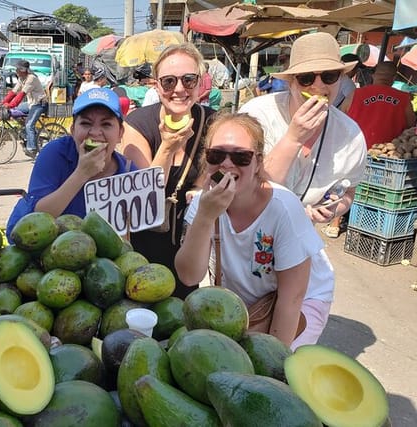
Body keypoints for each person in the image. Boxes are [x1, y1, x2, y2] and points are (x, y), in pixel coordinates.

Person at [175, 113, 334, 349]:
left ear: (258, 161)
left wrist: (274, 361)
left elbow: (292, 299)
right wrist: (205, 217)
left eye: (241, 156)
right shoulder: (204, 203)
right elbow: (189, 275)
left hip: (301, 302)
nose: (227, 164)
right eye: (216, 155)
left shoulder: (284, 209)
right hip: (248, 300)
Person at [239, 32, 367, 228]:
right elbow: (250, 191)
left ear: (341, 78)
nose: (318, 85)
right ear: (290, 82)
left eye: (329, 76)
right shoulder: (256, 115)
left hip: (297, 239)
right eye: (306, 78)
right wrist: (293, 139)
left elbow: (349, 191)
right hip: (245, 229)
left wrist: (334, 209)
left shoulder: (350, 135)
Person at [122, 43, 217, 299]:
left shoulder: (213, 122)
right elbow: (143, 195)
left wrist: (200, 186)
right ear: (156, 86)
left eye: (188, 80)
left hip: (190, 238)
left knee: (184, 311)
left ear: (200, 83)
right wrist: (167, 146)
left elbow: (217, 172)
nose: (179, 89)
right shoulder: (137, 124)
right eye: (168, 81)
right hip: (145, 238)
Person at [5, 87, 135, 236]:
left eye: (106, 124)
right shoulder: (55, 154)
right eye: (86, 123)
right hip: (50, 251)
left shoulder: (129, 172)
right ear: (73, 130)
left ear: (120, 134)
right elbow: (36, 220)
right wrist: (81, 174)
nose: (95, 133)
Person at [322, 61, 417, 239]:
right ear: (394, 78)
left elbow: (340, 117)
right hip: (388, 158)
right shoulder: (404, 98)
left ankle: (334, 224)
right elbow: (411, 125)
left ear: (374, 74)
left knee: (344, 183)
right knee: (378, 194)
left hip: (355, 149)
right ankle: (374, 228)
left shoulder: (355, 94)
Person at [0, 60, 48, 156]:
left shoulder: (31, 78)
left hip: (40, 104)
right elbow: (14, 92)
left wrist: (10, 105)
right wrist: (3, 102)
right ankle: (28, 134)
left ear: (23, 70)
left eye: (18, 69)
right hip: (31, 103)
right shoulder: (21, 78)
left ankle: (32, 148)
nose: (16, 71)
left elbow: (21, 95)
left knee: (29, 125)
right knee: (13, 112)